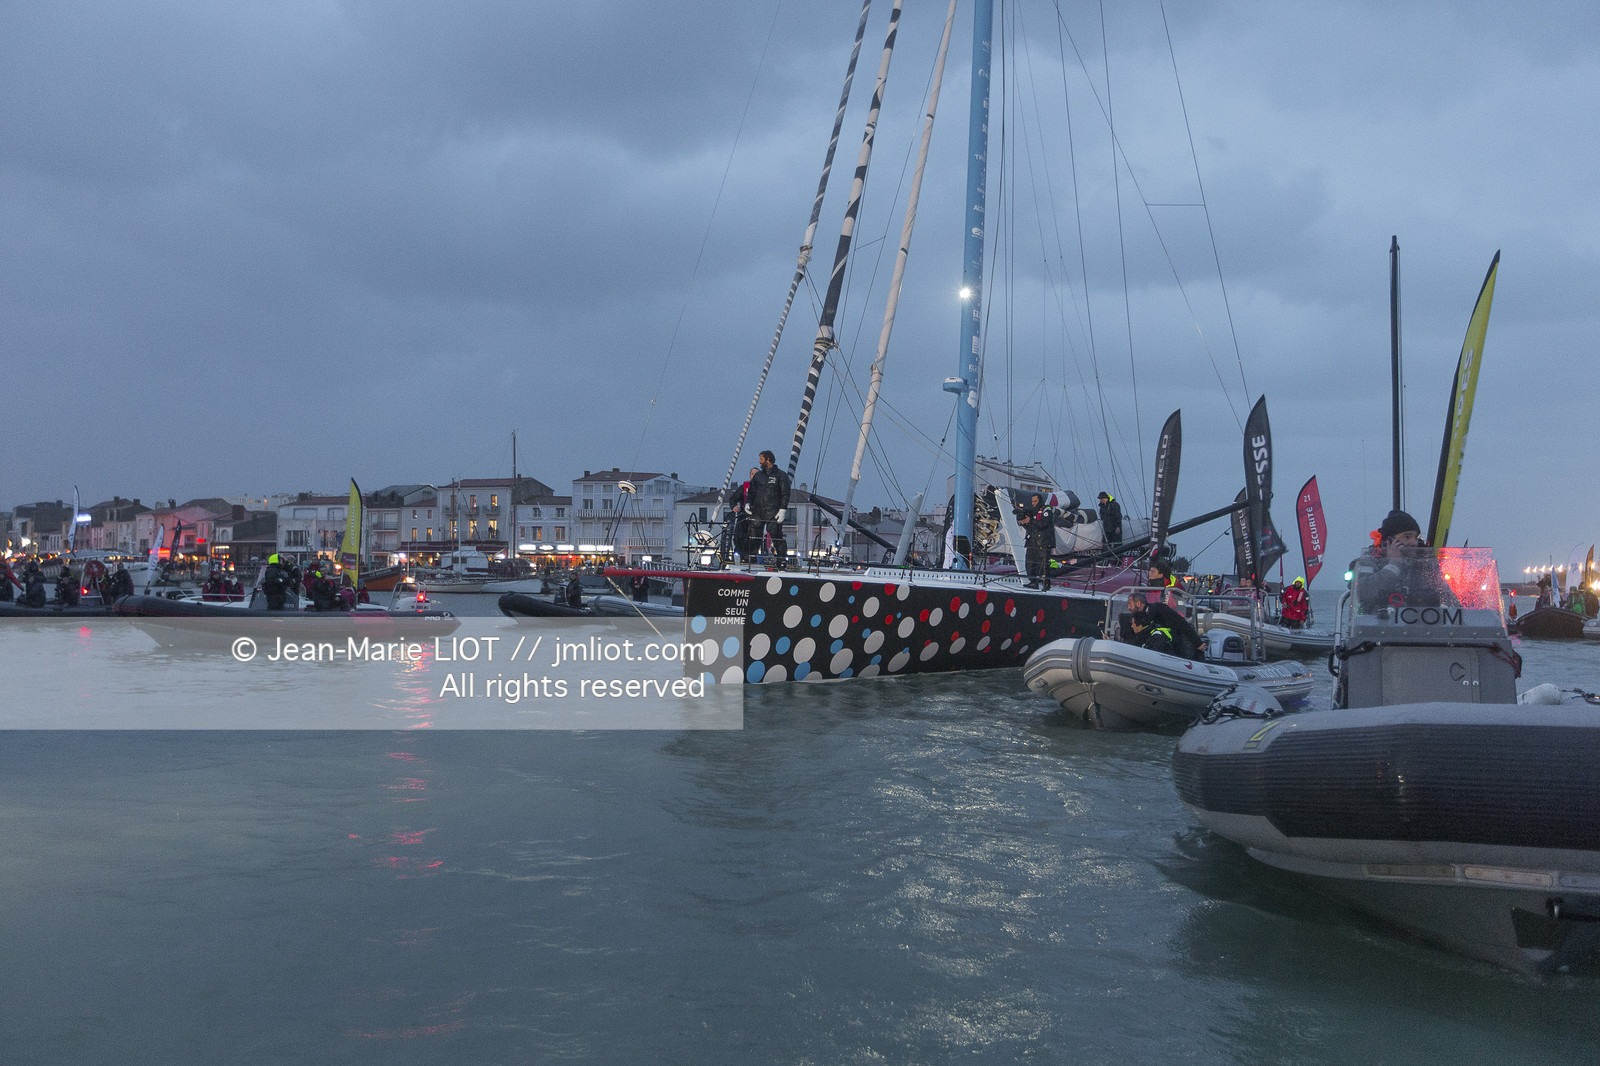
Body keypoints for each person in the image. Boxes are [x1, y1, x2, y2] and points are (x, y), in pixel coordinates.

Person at [1356, 509, 1455, 615]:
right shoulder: (1370, 559)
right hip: (1378, 627)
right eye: (1407, 537)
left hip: (1422, 626)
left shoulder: (1425, 561)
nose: (1414, 543)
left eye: (1416, 537)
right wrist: (1394, 564)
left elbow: (1449, 599)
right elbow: (1364, 592)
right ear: (1389, 541)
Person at [1123, 590, 1204, 660]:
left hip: (1172, 647)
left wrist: (1198, 643)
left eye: (1130, 604)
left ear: (1138, 603)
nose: (1128, 607)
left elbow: (1182, 623)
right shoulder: (1139, 618)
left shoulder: (1158, 609)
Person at [746, 449, 792, 565]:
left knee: (776, 535)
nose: (759, 462)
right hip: (758, 510)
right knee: (753, 534)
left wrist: (783, 510)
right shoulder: (758, 476)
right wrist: (748, 503)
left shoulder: (781, 475)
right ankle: (751, 558)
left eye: (761, 459)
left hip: (773, 511)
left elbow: (785, 493)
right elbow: (751, 491)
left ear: (768, 459)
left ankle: (781, 560)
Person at [1016, 492, 1056, 589]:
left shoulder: (1046, 510)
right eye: (1032, 501)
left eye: (1035, 501)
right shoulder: (1032, 512)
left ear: (1040, 501)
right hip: (1032, 541)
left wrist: (1031, 520)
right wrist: (1023, 521)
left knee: (1043, 564)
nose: (1033, 503)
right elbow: (1030, 527)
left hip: (1043, 542)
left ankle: (1046, 584)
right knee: (1030, 563)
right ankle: (1033, 581)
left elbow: (1043, 524)